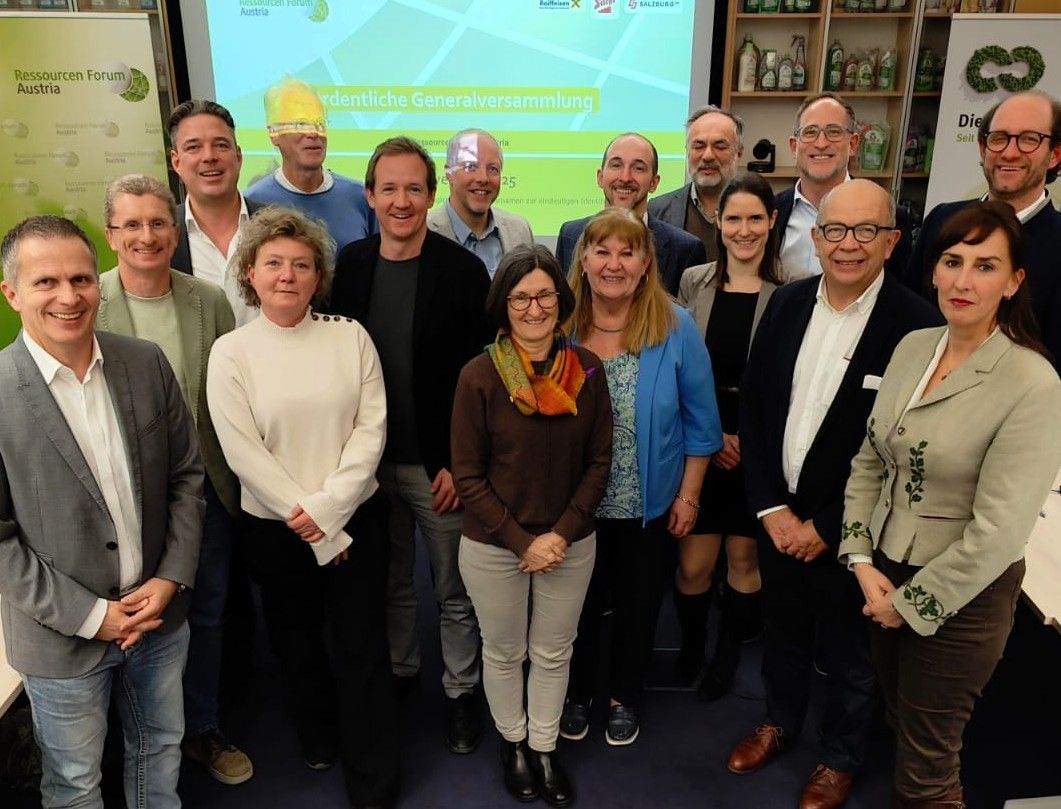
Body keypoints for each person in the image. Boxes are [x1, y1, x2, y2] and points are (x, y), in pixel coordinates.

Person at [840, 201, 1061, 809]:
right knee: (901, 726)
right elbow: (870, 459)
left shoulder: (1032, 382)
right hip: (884, 572)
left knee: (927, 768)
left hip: (961, 599)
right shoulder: (914, 347)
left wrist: (908, 605)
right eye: (952, 261)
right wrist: (861, 559)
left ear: (1014, 281)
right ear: (933, 270)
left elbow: (999, 532)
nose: (964, 280)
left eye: (985, 266)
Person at [731, 180, 942, 809]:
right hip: (779, 518)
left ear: (891, 242)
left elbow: (904, 450)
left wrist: (826, 526)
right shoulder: (787, 302)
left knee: (854, 654)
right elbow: (757, 407)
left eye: (866, 230)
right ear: (816, 239)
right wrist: (771, 508)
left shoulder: (918, 326)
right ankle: (779, 721)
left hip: (856, 530)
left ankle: (841, 757)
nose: (849, 244)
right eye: (835, 231)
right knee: (783, 633)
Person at [0, 215, 204, 809]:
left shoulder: (145, 363)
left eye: (81, 279)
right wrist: (94, 617)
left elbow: (187, 477)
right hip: (60, 638)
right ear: (11, 293)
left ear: (99, 282)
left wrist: (171, 577)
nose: (68, 296)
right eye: (45, 282)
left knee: (160, 753)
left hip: (159, 619)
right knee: (74, 785)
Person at [206, 207, 397, 807]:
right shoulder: (230, 353)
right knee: (297, 641)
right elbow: (242, 453)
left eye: (301, 265)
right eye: (274, 264)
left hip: (356, 520)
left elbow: (371, 429)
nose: (287, 275)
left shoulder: (350, 336)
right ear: (250, 273)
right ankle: (318, 734)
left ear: (319, 276)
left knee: (363, 647)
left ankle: (373, 778)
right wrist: (317, 525)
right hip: (276, 530)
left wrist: (331, 515)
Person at [327, 136, 492, 754]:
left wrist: (461, 463)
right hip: (367, 467)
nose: (402, 201)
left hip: (439, 467)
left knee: (454, 589)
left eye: (414, 189)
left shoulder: (463, 272)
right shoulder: (350, 266)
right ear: (370, 196)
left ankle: (460, 691)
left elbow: (481, 378)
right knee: (391, 581)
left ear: (431, 194)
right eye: (389, 188)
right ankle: (401, 676)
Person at [95, 174, 252, 785]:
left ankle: (200, 727)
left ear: (175, 231)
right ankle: (134, 743)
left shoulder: (208, 301)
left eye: (158, 222)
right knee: (126, 618)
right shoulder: (88, 301)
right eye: (131, 224)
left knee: (205, 611)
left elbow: (230, 395)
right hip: (116, 497)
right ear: (111, 234)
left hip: (201, 488)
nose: (146, 235)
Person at [451, 245, 612, 807]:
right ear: (504, 305)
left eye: (545, 295)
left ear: (561, 301)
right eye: (520, 298)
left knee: (553, 651)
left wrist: (559, 536)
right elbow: (467, 475)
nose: (534, 308)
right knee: (503, 652)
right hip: (495, 544)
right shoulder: (478, 376)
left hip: (569, 542)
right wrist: (523, 542)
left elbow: (599, 463)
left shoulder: (588, 370)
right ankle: (513, 743)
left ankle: (544, 747)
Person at [560, 208, 722, 746]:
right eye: (602, 251)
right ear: (583, 260)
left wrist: (689, 496)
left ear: (646, 262)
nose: (614, 264)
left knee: (638, 604)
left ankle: (623, 695)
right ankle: (577, 691)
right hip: (573, 504)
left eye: (627, 253)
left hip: (645, 502)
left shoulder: (675, 326)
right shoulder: (560, 324)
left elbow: (702, 422)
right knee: (576, 605)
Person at [673, 172, 783, 697]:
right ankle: (692, 647)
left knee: (744, 561)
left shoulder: (794, 289)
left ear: (772, 221)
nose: (744, 230)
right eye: (734, 218)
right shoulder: (692, 282)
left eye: (755, 218)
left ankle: (726, 656)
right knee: (693, 565)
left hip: (759, 444)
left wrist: (743, 436)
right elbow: (678, 367)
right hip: (701, 439)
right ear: (718, 222)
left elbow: (790, 381)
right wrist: (713, 434)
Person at [903, 91, 1061, 369]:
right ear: (982, 148)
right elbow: (910, 312)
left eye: (1029, 139)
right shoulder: (942, 219)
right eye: (999, 138)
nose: (1009, 152)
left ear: (1055, 155)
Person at [775, 93, 911, 282]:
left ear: (853, 144)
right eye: (810, 132)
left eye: (834, 132)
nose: (821, 143)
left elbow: (898, 289)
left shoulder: (890, 216)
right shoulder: (772, 211)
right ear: (794, 147)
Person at [555, 133, 706, 295]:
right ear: (600, 177)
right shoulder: (570, 234)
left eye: (638, 168)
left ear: (654, 182)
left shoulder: (685, 249)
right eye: (616, 165)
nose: (625, 177)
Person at [245, 77, 376, 252]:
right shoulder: (253, 202)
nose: (314, 133)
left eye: (319, 124)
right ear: (273, 133)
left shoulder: (361, 198)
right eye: (301, 124)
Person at [169, 99, 264, 326]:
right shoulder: (161, 236)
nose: (209, 156)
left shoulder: (279, 228)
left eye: (221, 145)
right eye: (193, 147)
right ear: (176, 161)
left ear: (238, 156)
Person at [427, 128, 535, 277]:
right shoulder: (424, 232)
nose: (483, 178)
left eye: (493, 169)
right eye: (470, 167)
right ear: (449, 173)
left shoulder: (519, 230)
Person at [649, 105, 744, 259]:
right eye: (699, 146)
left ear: (738, 153)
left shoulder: (761, 210)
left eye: (719, 146)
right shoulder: (657, 211)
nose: (708, 156)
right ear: (687, 152)